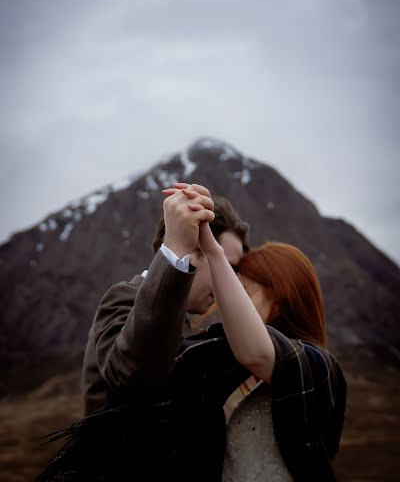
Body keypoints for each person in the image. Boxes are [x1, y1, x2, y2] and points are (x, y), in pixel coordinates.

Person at [35, 183, 250, 481]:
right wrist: (175, 251)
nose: (231, 281)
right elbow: (133, 375)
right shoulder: (125, 297)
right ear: (193, 248)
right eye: (222, 264)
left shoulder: (186, 322)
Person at [179, 184, 347, 481]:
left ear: (280, 296)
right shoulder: (229, 365)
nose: (228, 306)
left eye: (243, 292)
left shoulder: (318, 365)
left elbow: (257, 352)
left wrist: (213, 252)